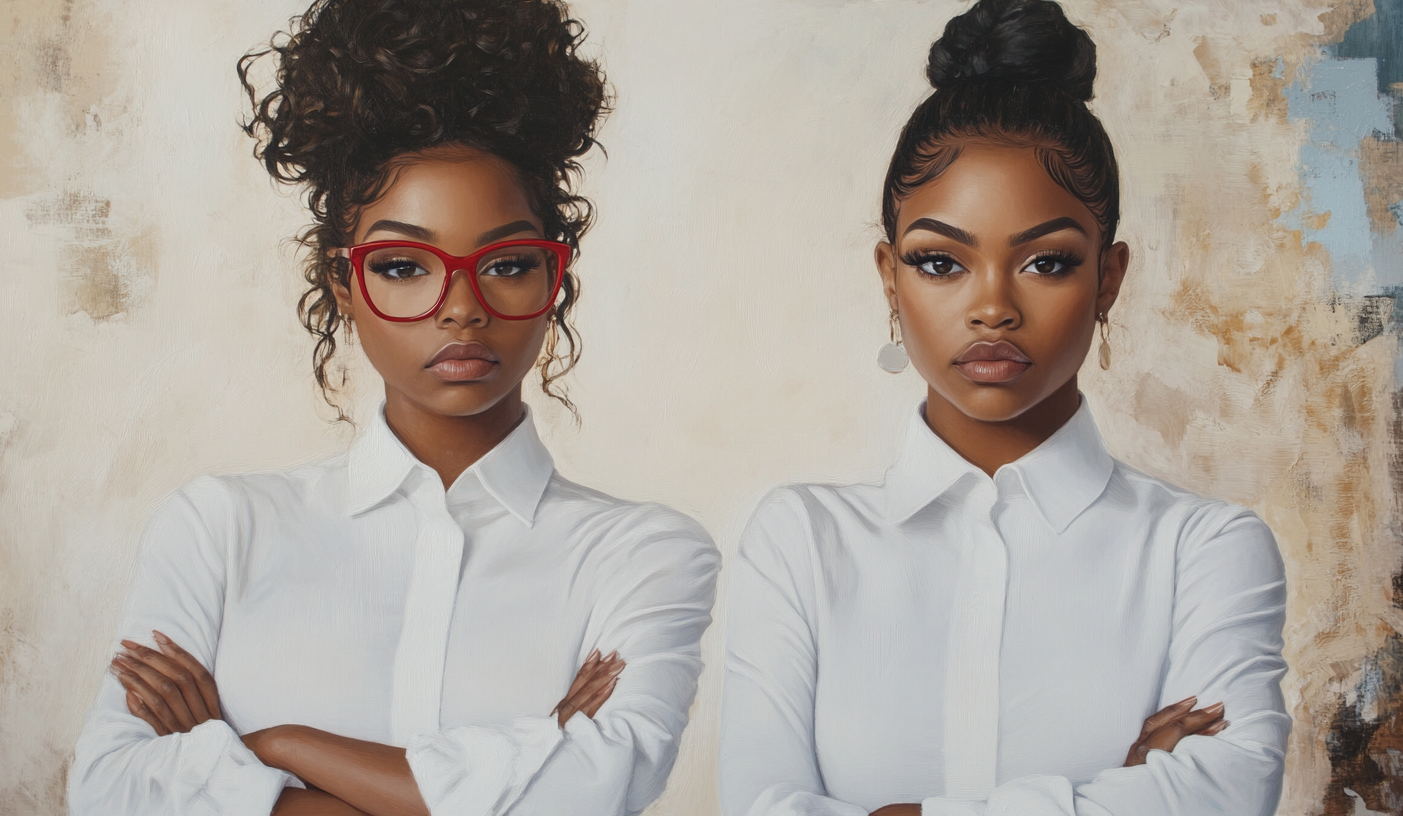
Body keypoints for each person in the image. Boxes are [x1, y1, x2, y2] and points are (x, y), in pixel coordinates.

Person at [67, 2, 719, 814]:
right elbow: (108, 790)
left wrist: (266, 748)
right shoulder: (218, 529)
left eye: (508, 261)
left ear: (557, 278)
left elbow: (585, 795)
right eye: (406, 266)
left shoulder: (644, 555)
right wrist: (523, 760)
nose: (461, 308)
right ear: (344, 284)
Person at [718, 1, 1289, 815]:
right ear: (890, 277)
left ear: (1110, 279)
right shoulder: (801, 545)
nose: (992, 307)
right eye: (941, 263)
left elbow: (1223, 800)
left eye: (1047, 262)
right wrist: (1119, 794)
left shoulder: (1204, 553)